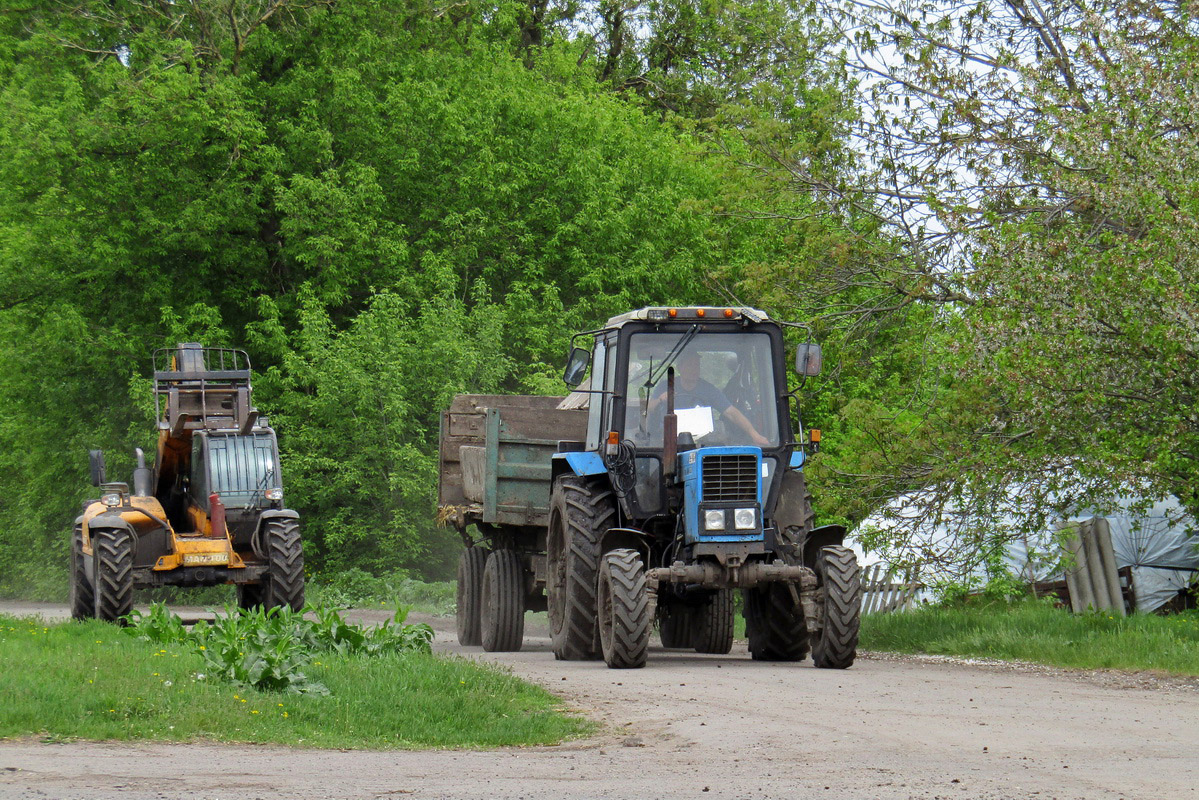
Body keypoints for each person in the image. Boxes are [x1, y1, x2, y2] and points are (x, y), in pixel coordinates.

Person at [646, 350, 771, 447]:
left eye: (697, 365)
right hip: (667, 443)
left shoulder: (708, 390)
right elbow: (648, 409)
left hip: (702, 444)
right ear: (680, 368)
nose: (694, 369)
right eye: (690, 365)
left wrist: (754, 434)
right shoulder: (665, 385)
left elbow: (731, 413)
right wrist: (660, 400)